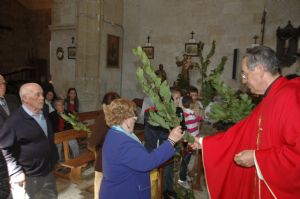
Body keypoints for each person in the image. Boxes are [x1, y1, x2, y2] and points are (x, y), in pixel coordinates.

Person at [190, 46, 300, 199]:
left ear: (260, 69)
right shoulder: (270, 98)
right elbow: (242, 132)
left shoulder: (290, 96)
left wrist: (256, 158)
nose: (244, 80)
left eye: (245, 74)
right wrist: (204, 143)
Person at [99, 98, 183, 199]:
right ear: (125, 118)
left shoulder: (115, 133)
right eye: (133, 116)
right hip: (124, 193)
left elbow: (137, 157)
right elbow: (147, 163)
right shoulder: (122, 141)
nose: (135, 119)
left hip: (120, 189)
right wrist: (171, 141)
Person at [0, 83, 58, 199]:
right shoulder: (14, 121)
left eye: (42, 94)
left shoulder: (42, 114)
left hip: (48, 170)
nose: (42, 97)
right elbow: (4, 147)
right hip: (29, 175)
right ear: (25, 98)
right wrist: (15, 172)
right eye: (38, 95)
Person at [87, 92, 120, 199]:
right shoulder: (121, 116)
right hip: (119, 155)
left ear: (105, 105)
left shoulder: (103, 117)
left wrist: (92, 147)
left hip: (105, 157)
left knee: (100, 183)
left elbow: (93, 142)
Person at [178, 95, 203, 189]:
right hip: (188, 142)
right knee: (185, 160)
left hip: (189, 141)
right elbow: (200, 118)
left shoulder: (186, 114)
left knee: (186, 160)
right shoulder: (189, 114)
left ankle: (183, 175)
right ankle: (182, 179)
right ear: (191, 104)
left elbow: (199, 119)